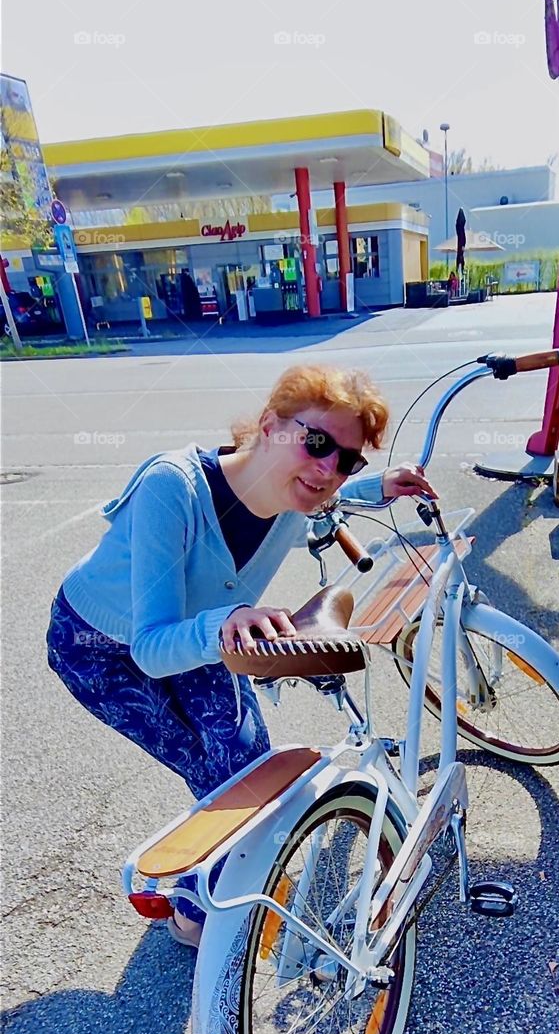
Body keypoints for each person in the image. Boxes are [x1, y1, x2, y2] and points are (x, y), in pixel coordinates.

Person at [46, 365, 436, 947]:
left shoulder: (298, 494)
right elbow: (152, 649)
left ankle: (223, 886)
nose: (328, 469)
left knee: (250, 767)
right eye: (318, 442)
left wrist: (375, 486)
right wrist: (225, 623)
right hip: (103, 646)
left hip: (211, 631)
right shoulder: (171, 488)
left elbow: (323, 494)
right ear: (271, 426)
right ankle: (195, 912)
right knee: (214, 775)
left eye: (347, 460)